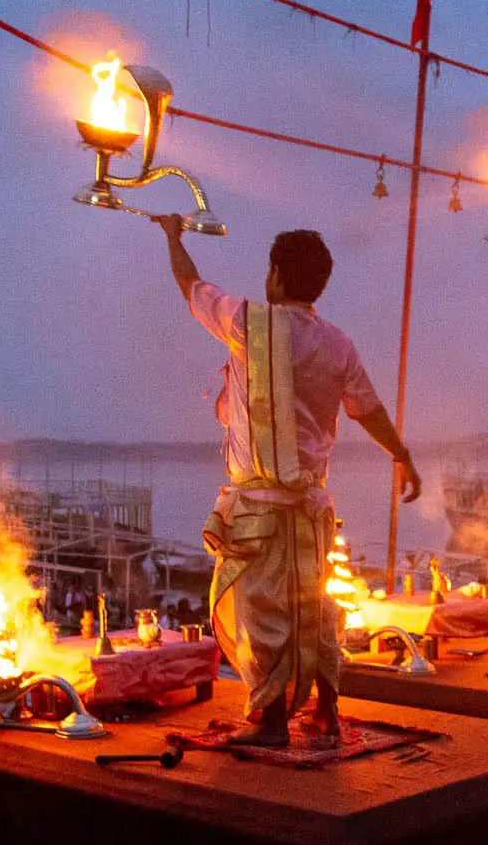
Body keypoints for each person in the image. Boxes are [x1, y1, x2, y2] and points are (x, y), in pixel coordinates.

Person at [154, 216, 419, 746]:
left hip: (260, 510)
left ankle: (272, 722)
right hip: (312, 509)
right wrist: (402, 455)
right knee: (313, 607)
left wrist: (171, 236)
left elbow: (191, 285)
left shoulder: (247, 323)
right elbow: (367, 409)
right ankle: (326, 712)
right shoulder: (339, 345)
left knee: (260, 614)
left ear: (275, 274)